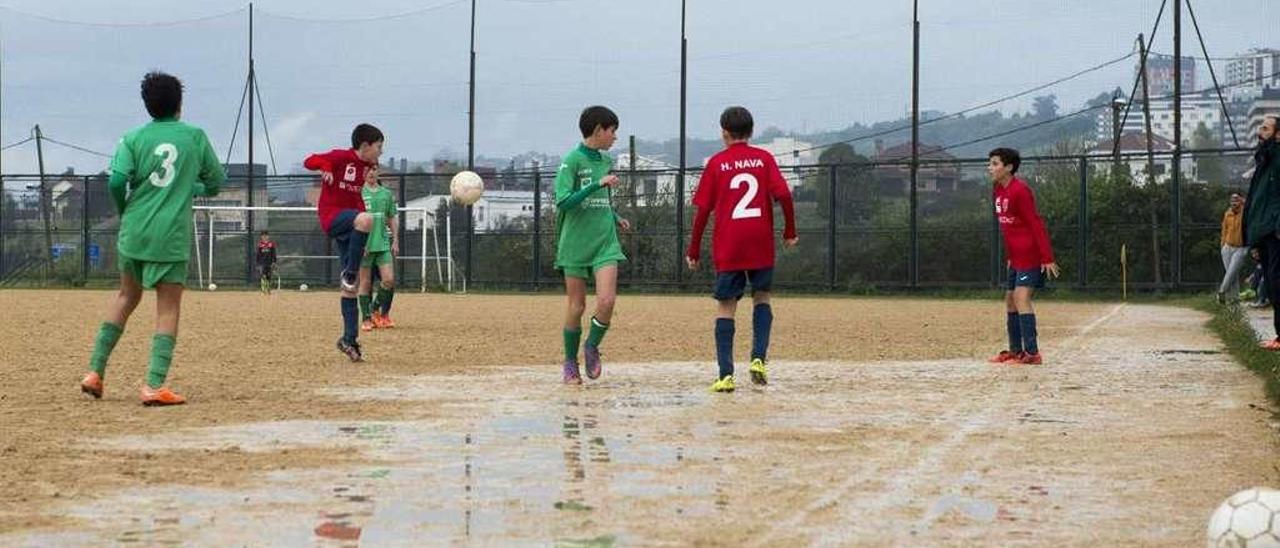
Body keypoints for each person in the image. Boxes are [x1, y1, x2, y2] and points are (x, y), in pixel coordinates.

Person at [79, 71, 225, 406]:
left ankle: (94, 371)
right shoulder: (195, 137)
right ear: (180, 105)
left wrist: (125, 208)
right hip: (170, 236)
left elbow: (117, 181)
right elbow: (216, 182)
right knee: (168, 307)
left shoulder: (131, 138)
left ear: (147, 106)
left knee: (125, 297)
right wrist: (192, 186)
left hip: (135, 230)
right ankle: (153, 384)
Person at [686, 106, 798, 393]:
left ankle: (726, 375)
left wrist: (694, 249)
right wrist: (789, 231)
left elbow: (702, 211)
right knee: (762, 297)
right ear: (751, 132)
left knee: (726, 306)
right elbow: (784, 194)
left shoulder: (716, 163)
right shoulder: (764, 159)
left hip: (730, 244)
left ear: (724, 132)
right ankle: (759, 359)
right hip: (760, 240)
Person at [554, 105, 630, 384]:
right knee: (577, 306)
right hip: (575, 243)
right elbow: (564, 201)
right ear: (598, 130)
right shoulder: (571, 161)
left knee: (607, 301)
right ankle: (570, 362)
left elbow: (600, 203)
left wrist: (615, 216)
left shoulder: (604, 160)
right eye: (613, 131)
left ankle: (592, 346)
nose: (615, 137)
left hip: (604, 242)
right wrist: (595, 184)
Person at [303, 124, 384, 361]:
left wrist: (364, 234)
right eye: (379, 147)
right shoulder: (341, 157)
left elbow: (356, 199)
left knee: (351, 287)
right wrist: (326, 167)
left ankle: (348, 340)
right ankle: (349, 272)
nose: (380, 152)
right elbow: (310, 160)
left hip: (351, 223)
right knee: (367, 219)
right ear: (366, 145)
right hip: (332, 216)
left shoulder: (366, 167)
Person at [986, 147, 1058, 365]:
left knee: (1021, 298)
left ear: (1008, 167)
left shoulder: (1021, 191)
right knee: (1010, 300)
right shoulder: (997, 189)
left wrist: (1047, 257)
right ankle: (1015, 351)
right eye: (990, 164)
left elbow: (1035, 224)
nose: (990, 168)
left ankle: (1033, 353)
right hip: (1016, 256)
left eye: (995, 164)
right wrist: (1010, 255)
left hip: (1030, 254)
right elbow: (1009, 228)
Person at [1243, 116, 1280, 349]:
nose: (1259, 132)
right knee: (1273, 281)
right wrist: (1253, 239)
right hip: (1263, 231)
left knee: (1277, 281)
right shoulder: (1264, 161)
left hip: (1275, 230)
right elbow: (1257, 202)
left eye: (1265, 128)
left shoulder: (1276, 156)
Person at [358, 167, 398, 331]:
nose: (371, 173)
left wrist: (395, 240)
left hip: (382, 244)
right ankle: (366, 319)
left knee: (388, 280)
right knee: (365, 282)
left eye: (374, 169)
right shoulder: (358, 193)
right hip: (365, 246)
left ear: (378, 172)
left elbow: (391, 218)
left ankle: (377, 310)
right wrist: (359, 243)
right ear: (363, 173)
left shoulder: (386, 194)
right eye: (367, 170)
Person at [1219, 193, 1248, 304]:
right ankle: (1235, 300)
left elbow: (1252, 206)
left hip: (1241, 248)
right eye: (1232, 200)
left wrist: (1244, 201)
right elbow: (1224, 230)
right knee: (1232, 275)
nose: (1234, 202)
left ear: (1241, 201)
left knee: (1231, 272)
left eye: (1236, 199)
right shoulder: (1228, 214)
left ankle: (1222, 291)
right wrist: (1222, 245)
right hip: (1227, 247)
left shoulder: (1245, 213)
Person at [256, 230, 278, 294]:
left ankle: (268, 288)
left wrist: (274, 262)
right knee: (263, 275)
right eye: (263, 236)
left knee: (269, 276)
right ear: (261, 237)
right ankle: (263, 289)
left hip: (269, 262)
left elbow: (274, 253)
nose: (265, 237)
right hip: (262, 263)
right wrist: (258, 263)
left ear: (268, 236)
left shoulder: (271, 244)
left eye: (266, 236)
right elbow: (258, 254)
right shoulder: (260, 245)